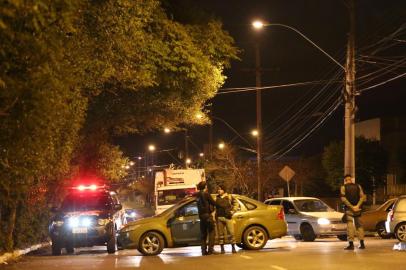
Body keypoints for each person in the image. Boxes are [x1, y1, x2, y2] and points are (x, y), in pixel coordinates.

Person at [340, 174, 366, 250]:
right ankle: (362, 244)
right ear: (351, 179)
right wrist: (357, 206)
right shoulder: (358, 186)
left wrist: (351, 207)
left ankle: (351, 245)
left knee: (350, 226)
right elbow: (362, 197)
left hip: (349, 209)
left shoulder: (343, 187)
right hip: (358, 209)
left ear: (345, 180)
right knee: (359, 226)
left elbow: (343, 199)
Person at [215, 185, 239, 254]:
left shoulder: (229, 197)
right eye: (218, 189)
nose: (219, 191)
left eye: (220, 189)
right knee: (220, 234)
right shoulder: (217, 198)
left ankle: (233, 248)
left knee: (231, 233)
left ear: (224, 190)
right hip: (219, 218)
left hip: (228, 217)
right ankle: (222, 249)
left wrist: (233, 211)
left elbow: (236, 204)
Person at [196, 181, 218, 255]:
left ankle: (203, 251)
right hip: (208, 216)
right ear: (205, 187)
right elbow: (214, 203)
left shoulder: (197, 195)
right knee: (212, 232)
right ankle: (210, 250)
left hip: (201, 217)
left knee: (203, 234)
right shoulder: (206, 194)